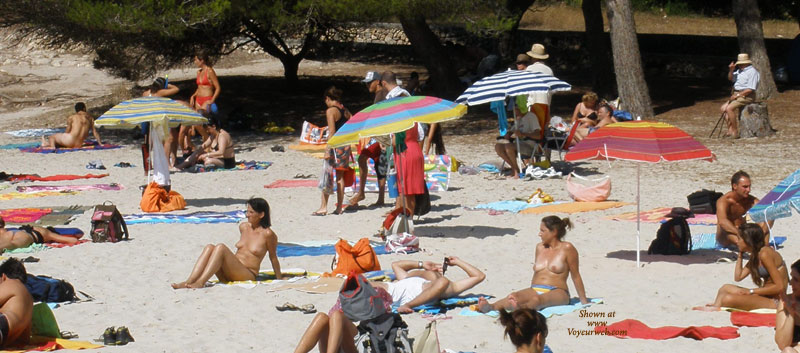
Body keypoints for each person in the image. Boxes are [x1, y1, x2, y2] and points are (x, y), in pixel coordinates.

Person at [293, 256, 485, 353]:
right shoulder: (413, 277)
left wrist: (458, 262)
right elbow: (396, 265)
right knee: (322, 317)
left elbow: (479, 276)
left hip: (380, 307)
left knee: (337, 315)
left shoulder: (445, 285)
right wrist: (421, 264)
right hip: (381, 292)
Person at [478, 216, 588, 312]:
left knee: (537, 300)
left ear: (554, 232)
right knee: (514, 296)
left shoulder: (567, 248)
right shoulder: (539, 247)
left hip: (558, 291)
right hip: (535, 288)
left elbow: (575, 275)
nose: (539, 234)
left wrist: (584, 301)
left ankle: (521, 309)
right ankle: (491, 307)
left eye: (543, 231)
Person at [172, 198, 280, 289]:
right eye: (247, 212)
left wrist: (279, 277)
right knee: (210, 247)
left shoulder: (268, 234)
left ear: (261, 215)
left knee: (221, 247)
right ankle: (189, 281)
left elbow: (273, 257)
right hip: (230, 272)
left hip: (247, 274)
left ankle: (201, 282)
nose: (247, 215)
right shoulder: (243, 227)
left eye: (251, 212)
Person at [700, 223, 787, 311]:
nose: (737, 242)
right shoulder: (756, 254)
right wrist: (740, 255)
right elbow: (738, 277)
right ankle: (715, 307)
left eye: (739, 239)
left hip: (775, 301)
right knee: (725, 288)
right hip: (766, 295)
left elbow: (779, 287)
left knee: (727, 299)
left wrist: (751, 291)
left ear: (748, 241)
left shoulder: (765, 254)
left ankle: (717, 307)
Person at [381, 72, 425, 216]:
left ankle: (407, 218)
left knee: (406, 190)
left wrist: (383, 141)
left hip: (405, 152)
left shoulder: (400, 122)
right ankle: (403, 216)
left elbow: (396, 141)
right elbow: (420, 135)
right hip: (414, 150)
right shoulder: (412, 119)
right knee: (408, 189)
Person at [347, 72, 388, 209]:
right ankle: (380, 198)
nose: (367, 85)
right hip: (380, 135)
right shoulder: (380, 94)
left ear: (378, 82)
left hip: (381, 136)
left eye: (369, 82)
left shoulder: (381, 95)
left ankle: (361, 193)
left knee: (363, 158)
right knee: (379, 163)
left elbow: (382, 116)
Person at [313, 87, 354, 216]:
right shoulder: (345, 110)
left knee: (327, 175)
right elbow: (353, 122)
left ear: (327, 98)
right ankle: (339, 207)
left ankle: (323, 207)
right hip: (345, 145)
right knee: (340, 177)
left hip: (335, 146)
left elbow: (332, 132)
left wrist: (327, 149)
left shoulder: (331, 111)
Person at [716, 170, 772, 248]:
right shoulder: (724, 201)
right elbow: (723, 222)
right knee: (728, 230)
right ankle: (754, 247)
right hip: (726, 236)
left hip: (743, 232)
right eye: (745, 187)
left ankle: (763, 247)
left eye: (749, 186)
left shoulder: (750, 200)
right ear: (735, 186)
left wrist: (763, 231)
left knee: (763, 222)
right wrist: (740, 234)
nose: (749, 190)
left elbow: (769, 212)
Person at [142, 77, 181, 167]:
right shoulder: (160, 93)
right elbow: (176, 89)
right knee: (168, 139)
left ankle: (148, 164)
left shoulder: (146, 93)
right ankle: (166, 163)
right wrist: (168, 85)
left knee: (149, 142)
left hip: (149, 118)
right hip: (159, 118)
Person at [720, 53, 759, 139]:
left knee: (729, 108)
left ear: (747, 63)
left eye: (742, 63)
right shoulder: (739, 71)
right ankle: (730, 129)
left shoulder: (752, 72)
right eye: (740, 63)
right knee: (723, 108)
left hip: (747, 96)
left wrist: (738, 95)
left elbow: (750, 89)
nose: (740, 65)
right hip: (736, 94)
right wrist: (731, 70)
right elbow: (730, 78)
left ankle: (735, 131)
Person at [495, 105, 541, 177]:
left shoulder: (531, 117)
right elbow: (512, 130)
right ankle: (514, 168)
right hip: (519, 145)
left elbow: (538, 135)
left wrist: (523, 134)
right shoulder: (519, 119)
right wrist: (508, 134)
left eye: (515, 109)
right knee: (498, 147)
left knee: (508, 147)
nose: (514, 111)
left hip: (530, 146)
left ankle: (516, 170)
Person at [0, 258, 32, 349]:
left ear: (3, 276)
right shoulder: (29, 299)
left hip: (3, 323)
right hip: (4, 337)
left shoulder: (10, 283)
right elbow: (25, 339)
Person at [0, 217, 80, 253]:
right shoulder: (45, 232)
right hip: (27, 236)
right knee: (10, 244)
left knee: (8, 242)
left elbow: (73, 239)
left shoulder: (45, 232)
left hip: (19, 234)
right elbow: (73, 240)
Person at [775, 259, 800, 352]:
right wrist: (791, 314)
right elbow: (782, 344)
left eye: (796, 280)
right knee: (787, 351)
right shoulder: (786, 302)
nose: (791, 283)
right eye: (791, 278)